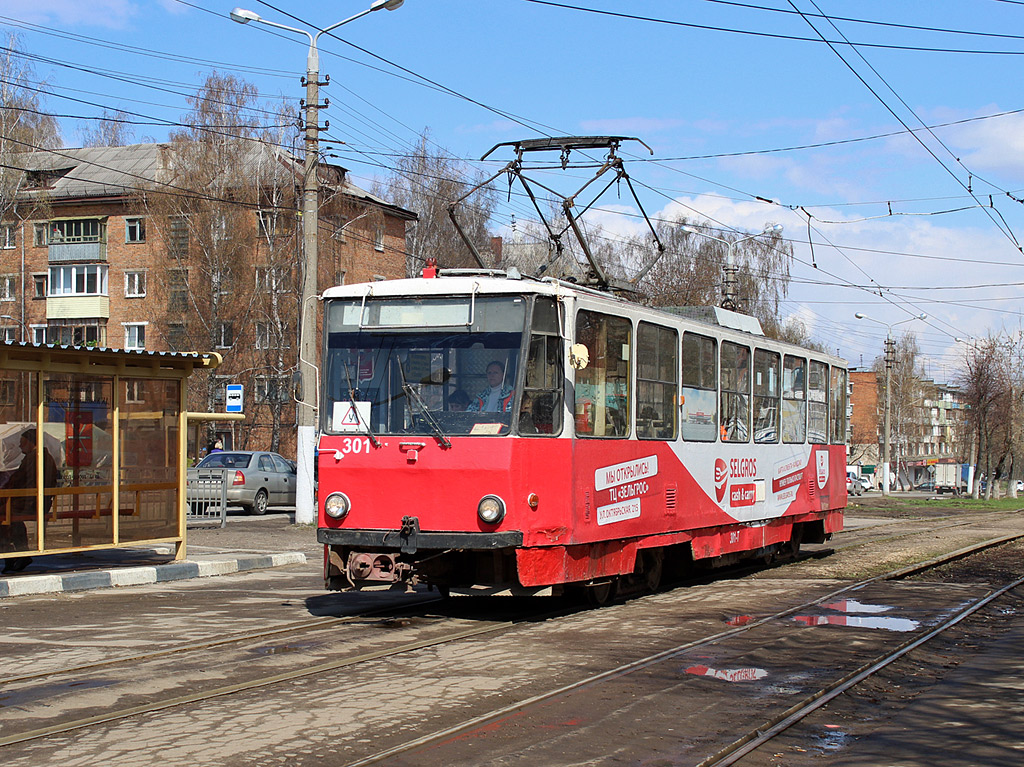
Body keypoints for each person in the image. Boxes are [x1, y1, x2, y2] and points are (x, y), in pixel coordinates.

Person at [1, 429, 58, 574]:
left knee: (5, 517)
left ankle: (14, 553)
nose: (20, 447)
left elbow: (27, 484)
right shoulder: (41, 457)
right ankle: (15, 554)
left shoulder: (36, 459)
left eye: (22, 443)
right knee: (8, 519)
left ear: (31, 442)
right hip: (34, 501)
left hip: (30, 502)